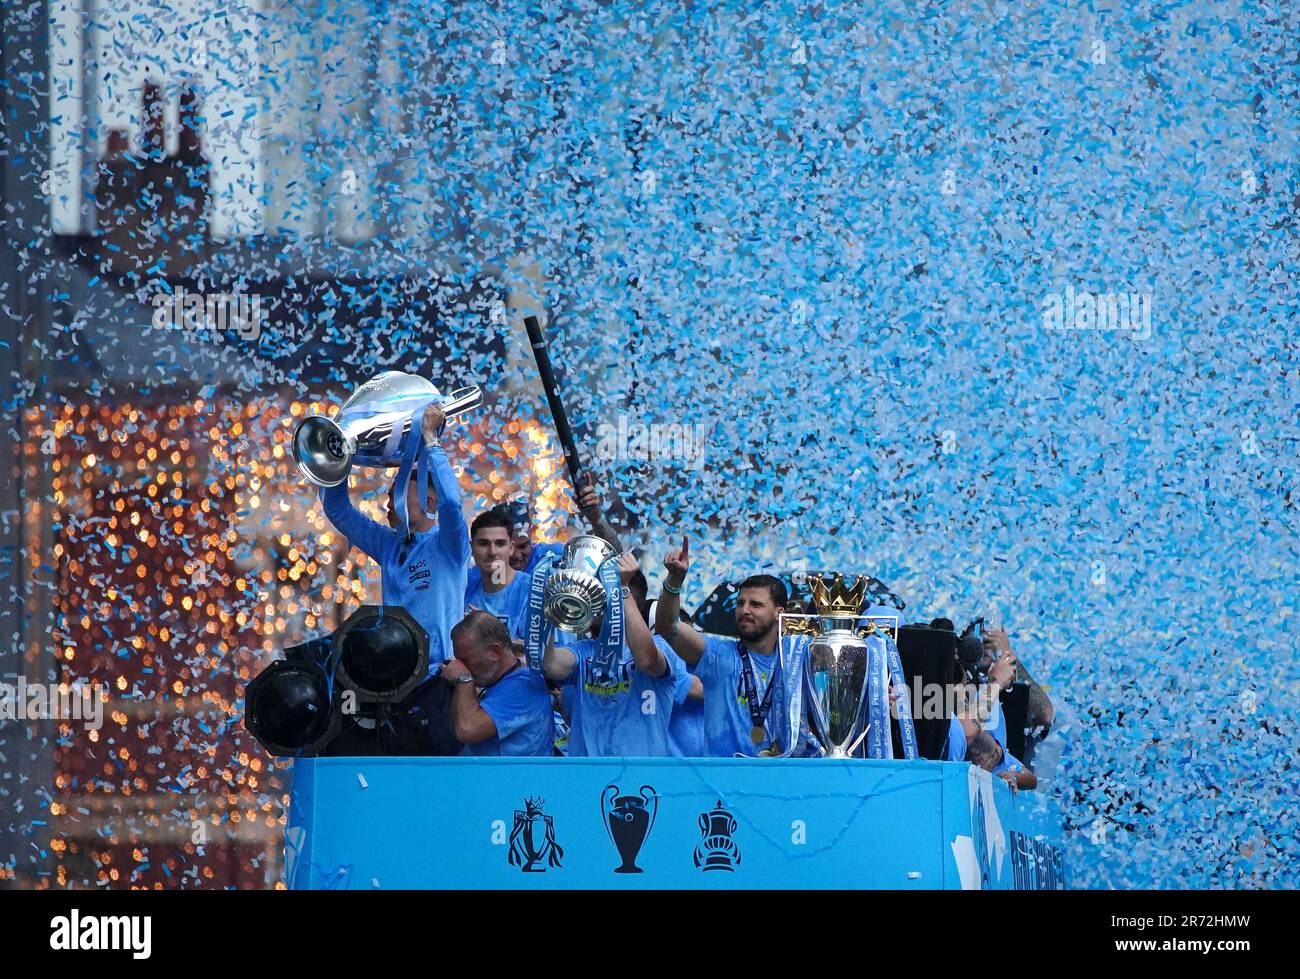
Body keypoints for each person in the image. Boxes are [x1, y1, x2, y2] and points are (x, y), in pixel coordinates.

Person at [319, 403, 468, 674]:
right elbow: (338, 510)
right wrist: (341, 453)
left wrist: (430, 440)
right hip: (395, 675)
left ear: (428, 500)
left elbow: (452, 505)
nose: (388, 503)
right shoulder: (389, 545)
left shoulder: (449, 545)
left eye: (397, 495)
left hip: (439, 676)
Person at [654, 536, 788, 757]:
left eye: (755, 604)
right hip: (720, 783)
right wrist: (674, 581)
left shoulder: (793, 664)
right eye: (740, 603)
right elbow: (668, 627)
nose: (745, 610)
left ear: (779, 613)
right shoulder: (719, 656)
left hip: (778, 780)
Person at [542, 552, 684, 756]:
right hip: (588, 779)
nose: (596, 602)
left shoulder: (661, 647)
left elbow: (646, 660)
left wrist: (622, 588)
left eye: (604, 595)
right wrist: (548, 601)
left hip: (640, 781)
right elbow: (550, 664)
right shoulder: (584, 651)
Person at [444, 611, 553, 756]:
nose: (458, 666)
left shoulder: (523, 687)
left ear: (495, 652)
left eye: (465, 660)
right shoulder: (501, 682)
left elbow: (467, 730)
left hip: (515, 777)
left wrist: (464, 680)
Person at [464, 509, 532, 639]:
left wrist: (492, 629)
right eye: (483, 544)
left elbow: (541, 655)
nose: (492, 552)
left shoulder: (532, 592)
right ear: (471, 548)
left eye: (500, 544)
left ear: (511, 548)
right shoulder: (464, 590)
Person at [966, 730, 1038, 792]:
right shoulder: (961, 748)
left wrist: (1012, 775)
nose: (988, 761)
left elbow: (1032, 780)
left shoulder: (997, 756)